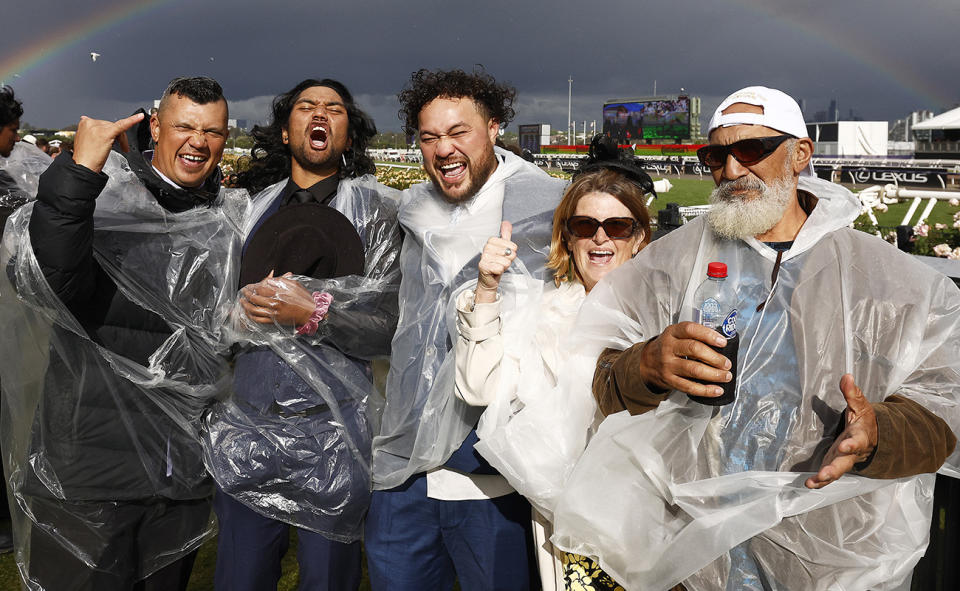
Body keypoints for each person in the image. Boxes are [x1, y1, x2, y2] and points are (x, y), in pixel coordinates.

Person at [546, 86, 960, 590]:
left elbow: (942, 412)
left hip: (828, 561)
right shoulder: (667, 266)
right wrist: (647, 366)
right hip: (689, 553)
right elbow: (603, 380)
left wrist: (879, 434)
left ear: (800, 154)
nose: (732, 170)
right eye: (716, 155)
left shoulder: (889, 281)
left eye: (752, 150)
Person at [0, 76, 240, 590]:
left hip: (178, 473)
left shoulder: (224, 223)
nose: (199, 140)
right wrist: (79, 169)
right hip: (90, 470)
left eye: (213, 131)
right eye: (185, 126)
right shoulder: (111, 204)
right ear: (156, 126)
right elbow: (52, 277)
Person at [366, 67, 566, 590]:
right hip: (404, 469)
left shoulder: (544, 205)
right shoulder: (412, 209)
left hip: (491, 478)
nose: (443, 148)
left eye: (459, 132)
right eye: (430, 137)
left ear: (494, 128)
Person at [203, 78, 401, 591]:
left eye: (334, 109)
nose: (319, 114)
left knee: (327, 580)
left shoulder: (377, 216)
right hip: (248, 427)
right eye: (306, 106)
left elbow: (388, 326)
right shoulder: (246, 212)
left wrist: (313, 311)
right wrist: (236, 318)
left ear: (349, 136)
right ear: (287, 132)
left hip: (334, 436)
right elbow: (209, 313)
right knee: (239, 578)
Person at [457, 135, 655, 590]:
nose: (601, 237)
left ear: (639, 236)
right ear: (568, 235)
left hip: (651, 519)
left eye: (617, 227)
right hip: (567, 525)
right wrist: (486, 290)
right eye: (585, 226)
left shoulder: (667, 312)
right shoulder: (541, 312)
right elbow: (477, 389)